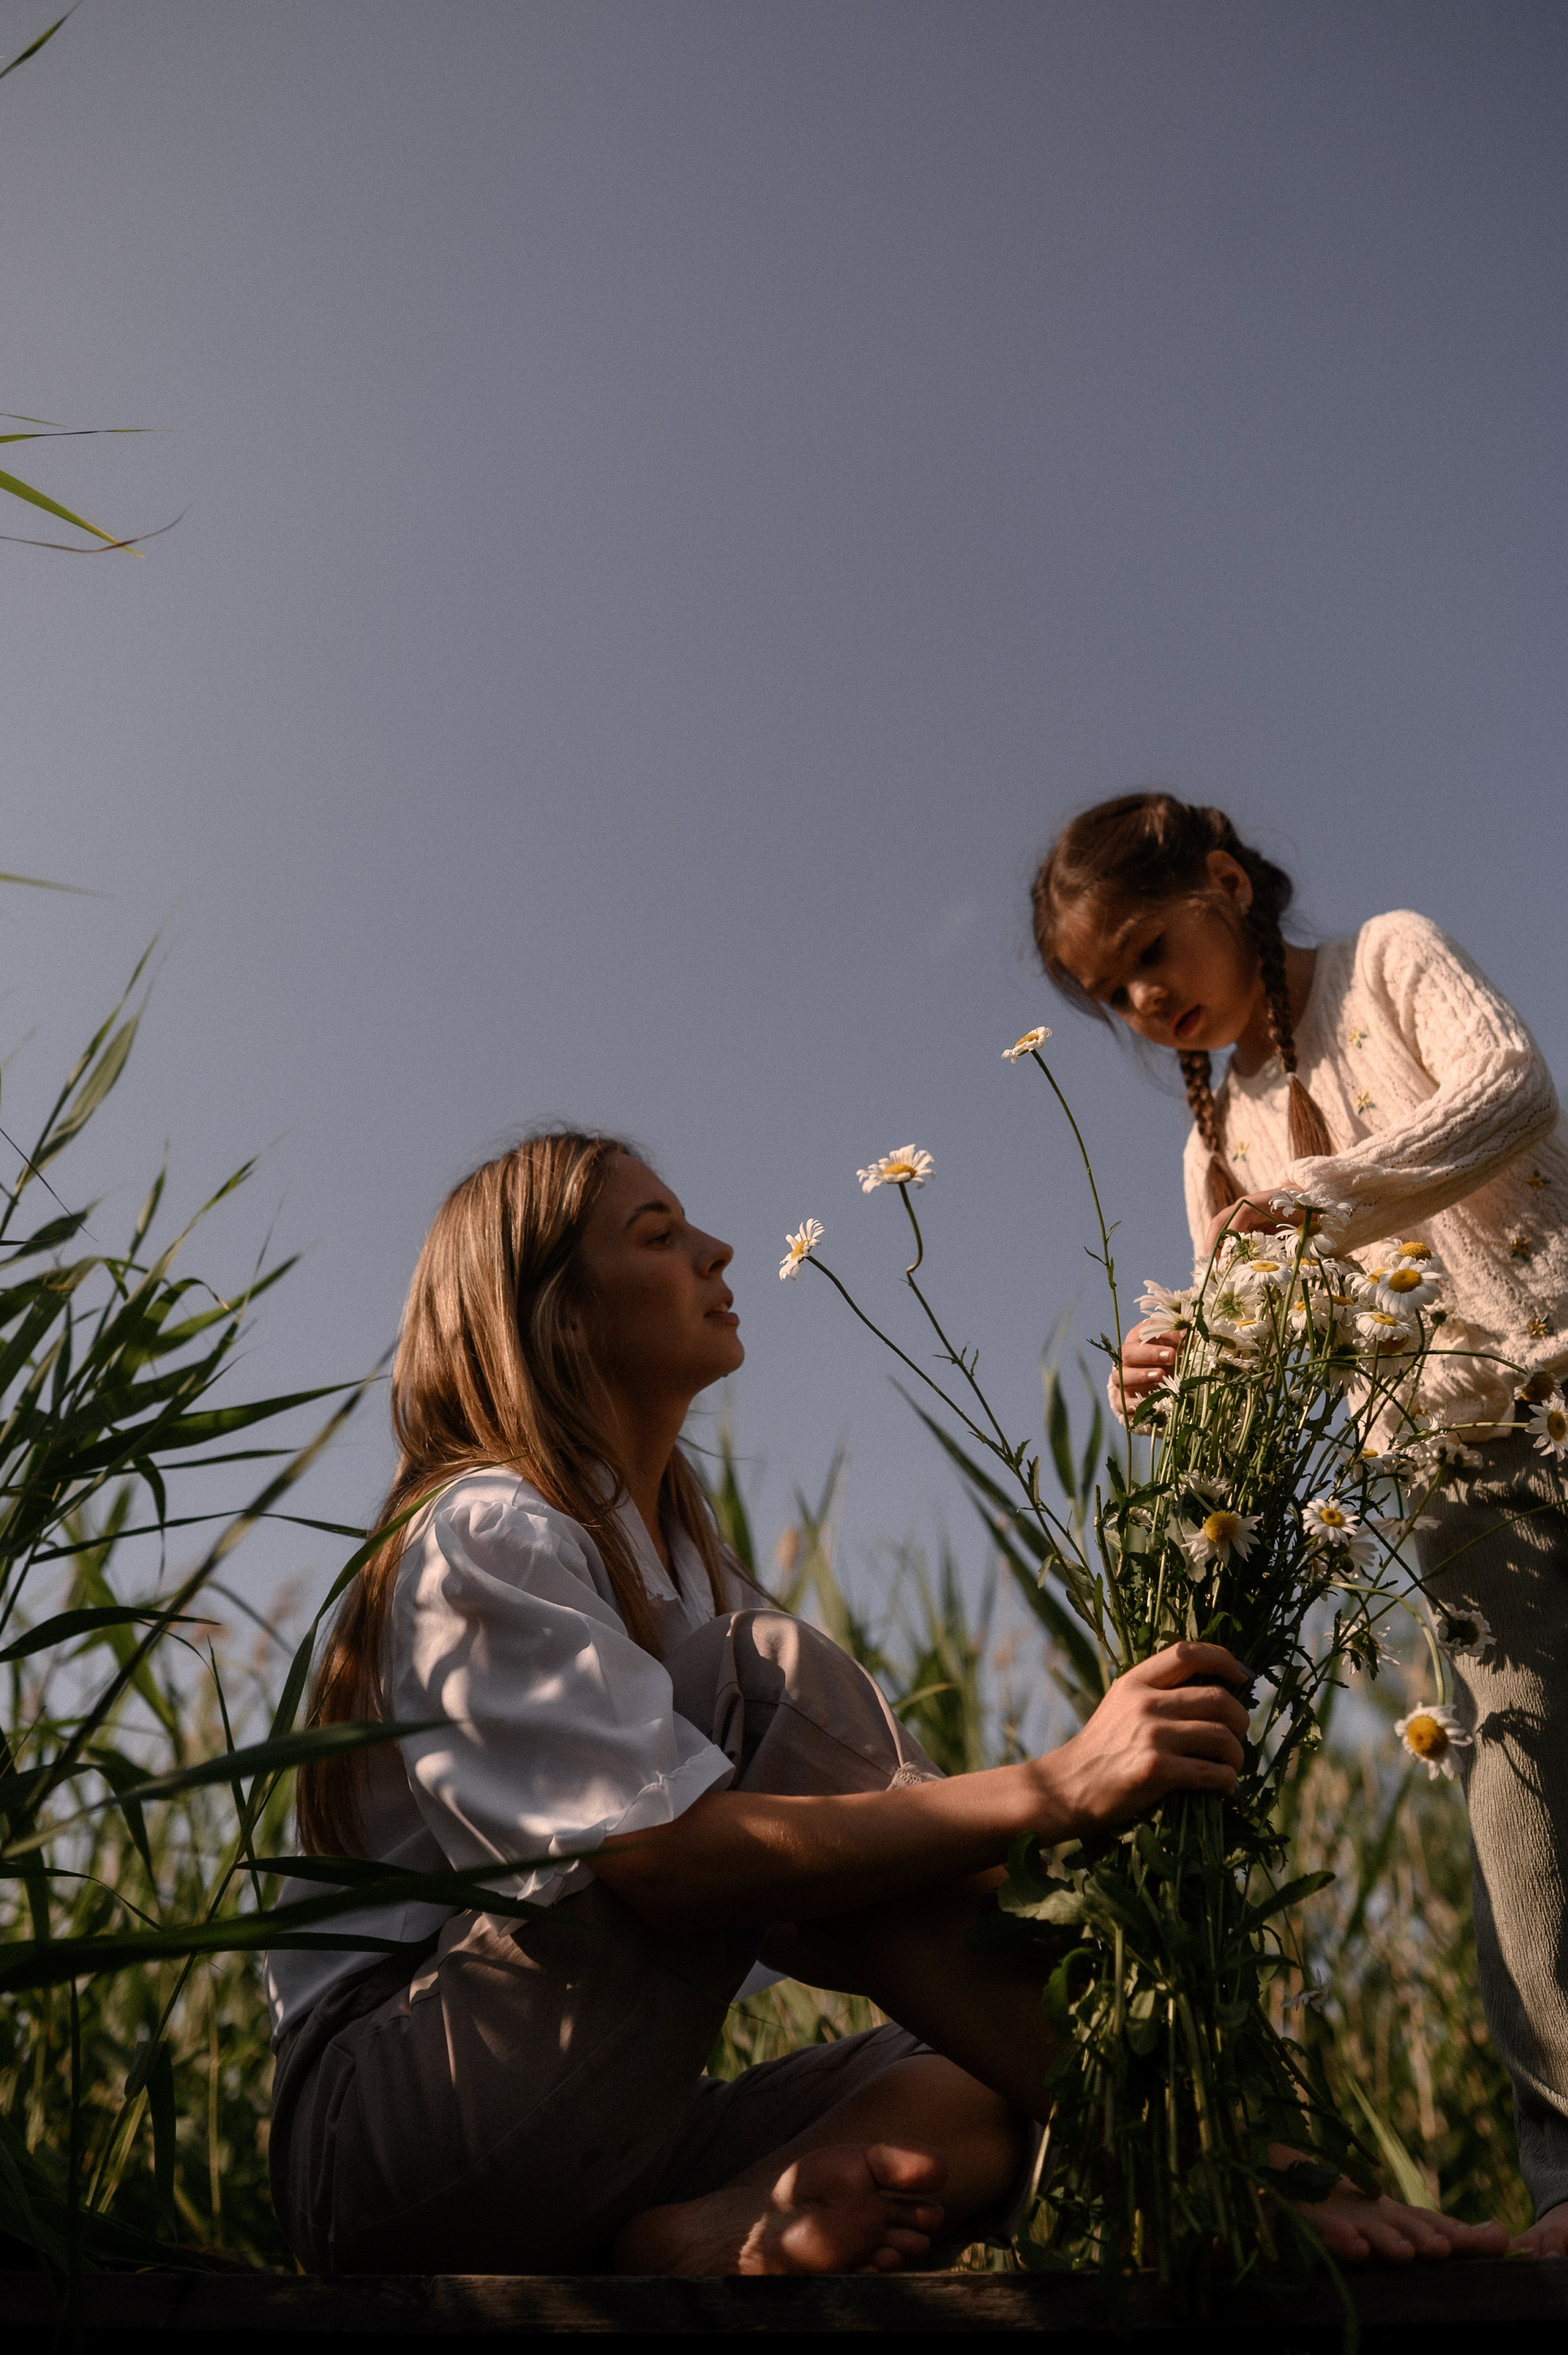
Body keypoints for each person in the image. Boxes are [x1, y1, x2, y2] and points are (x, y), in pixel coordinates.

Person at [265, 1128, 1507, 2276]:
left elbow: (827, 1912)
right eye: (655, 1235)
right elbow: (658, 1865)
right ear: (558, 1317)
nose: (716, 1250)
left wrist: (1071, 1919)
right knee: (773, 1679)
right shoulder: (485, 1530)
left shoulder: (678, 1566)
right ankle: (1251, 2173)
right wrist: (1055, 1791)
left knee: (987, 2066)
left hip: (592, 2127)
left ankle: (702, 2234)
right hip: (389, 2135)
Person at [1031, 790, 1568, 2256]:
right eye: (1109, 992)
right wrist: (1170, 1360)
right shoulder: (1212, 1155)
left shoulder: (1388, 958)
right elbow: (1247, 1344)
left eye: (1149, 949)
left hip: (1562, 1376)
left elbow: (1511, 1091)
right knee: (1517, 1814)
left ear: (1224, 880)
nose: (1144, 1002)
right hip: (1454, 1480)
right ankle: (1566, 2185)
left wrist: (1307, 1202)